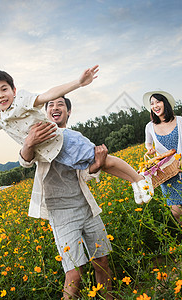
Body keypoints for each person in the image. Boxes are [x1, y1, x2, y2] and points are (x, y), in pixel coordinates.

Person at [0, 65, 153, 204]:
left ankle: (139, 180)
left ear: (14, 90)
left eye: (4, 89)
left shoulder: (22, 102)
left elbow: (47, 95)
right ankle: (137, 181)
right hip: (57, 155)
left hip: (64, 141)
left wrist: (78, 83)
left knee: (105, 159)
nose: (1, 95)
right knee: (99, 164)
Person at [20, 96, 113, 299]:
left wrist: (97, 164)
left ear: (68, 112)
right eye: (50, 105)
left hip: (85, 206)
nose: (55, 107)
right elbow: (25, 160)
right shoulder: (40, 136)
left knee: (102, 262)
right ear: (46, 113)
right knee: (75, 273)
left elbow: (84, 173)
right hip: (61, 214)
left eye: (60, 104)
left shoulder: (74, 139)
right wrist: (28, 143)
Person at [143, 90, 182, 245]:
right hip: (165, 172)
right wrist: (150, 149)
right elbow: (148, 143)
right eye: (152, 103)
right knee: (176, 212)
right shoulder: (150, 126)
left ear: (165, 103)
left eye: (157, 102)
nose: (155, 106)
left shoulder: (179, 120)